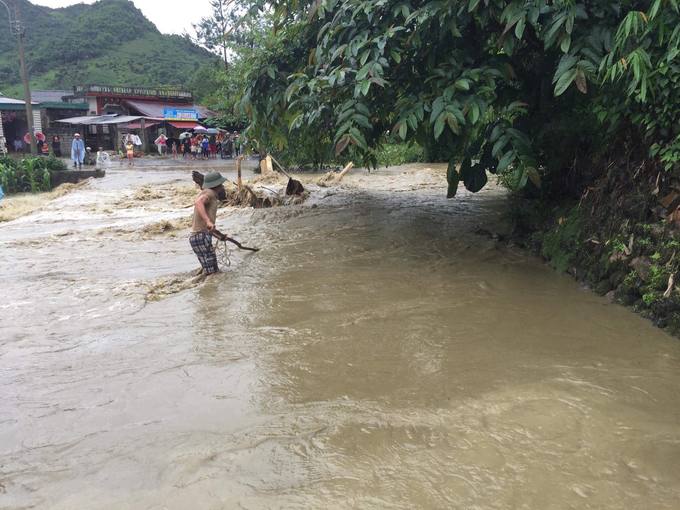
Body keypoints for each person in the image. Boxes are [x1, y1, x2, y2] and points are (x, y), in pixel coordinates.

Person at [189, 172, 228, 276]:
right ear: (217, 185)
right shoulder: (209, 193)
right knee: (212, 274)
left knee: (212, 272)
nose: (223, 186)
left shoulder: (208, 193)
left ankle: (205, 290)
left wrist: (220, 236)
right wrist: (207, 220)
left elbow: (208, 227)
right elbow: (198, 202)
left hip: (198, 237)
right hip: (201, 237)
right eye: (221, 184)